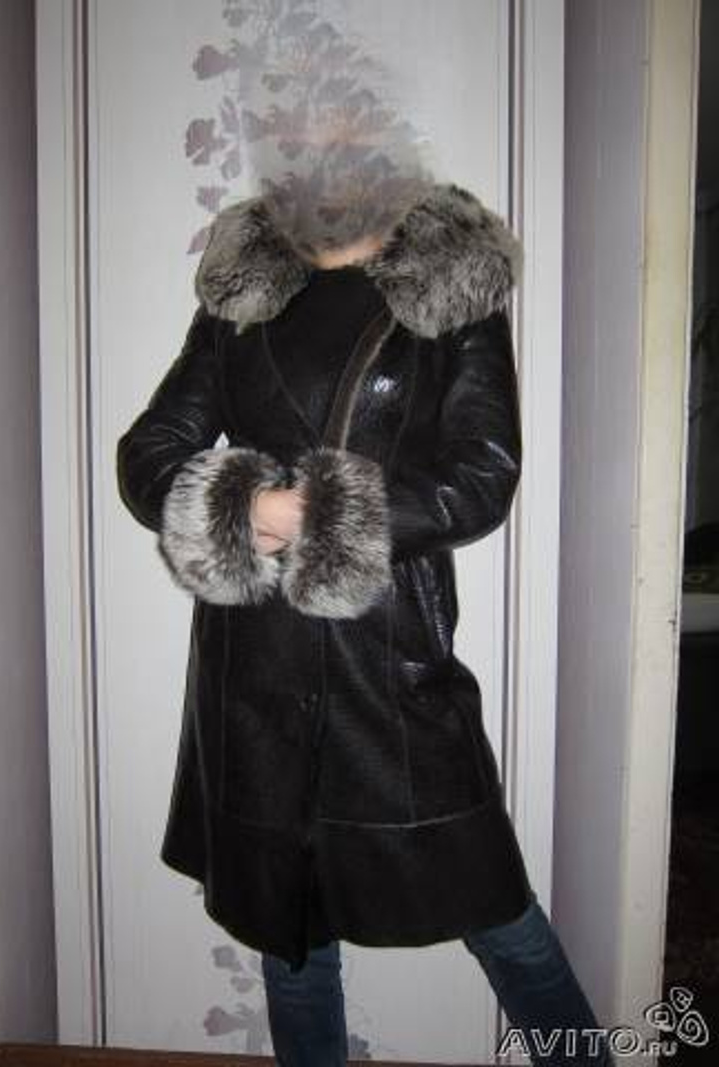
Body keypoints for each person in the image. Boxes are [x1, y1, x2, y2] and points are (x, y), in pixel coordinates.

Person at [116, 179, 614, 1065]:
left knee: (501, 915)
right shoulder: (243, 300)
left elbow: (484, 474)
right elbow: (149, 451)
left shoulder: (449, 289)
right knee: (292, 940)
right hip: (255, 669)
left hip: (392, 665)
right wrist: (245, 505)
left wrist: (319, 515)